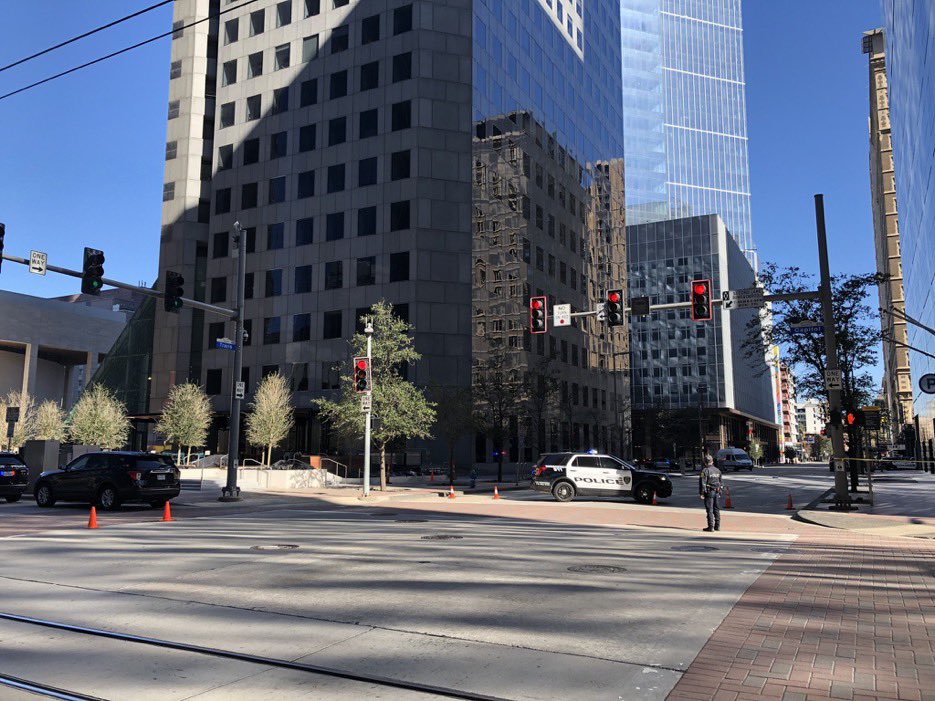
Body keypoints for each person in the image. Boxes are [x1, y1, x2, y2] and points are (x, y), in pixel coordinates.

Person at [699, 454, 722, 532]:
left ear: (705, 462)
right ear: (712, 461)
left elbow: (703, 483)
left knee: (710, 509)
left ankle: (711, 526)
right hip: (717, 491)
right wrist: (720, 492)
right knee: (716, 509)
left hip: (709, 492)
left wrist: (702, 493)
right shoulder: (717, 470)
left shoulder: (705, 471)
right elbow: (721, 482)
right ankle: (717, 526)